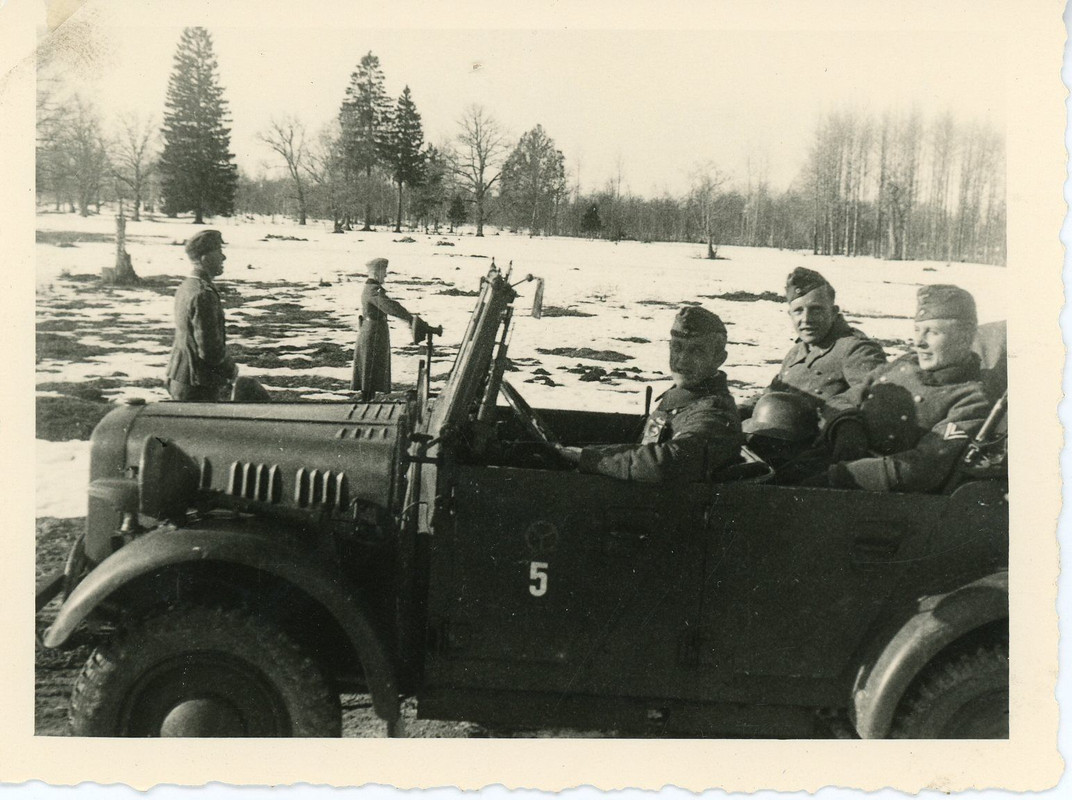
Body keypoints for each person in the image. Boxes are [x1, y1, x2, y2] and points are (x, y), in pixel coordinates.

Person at [805, 284, 992, 493]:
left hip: (862, 491)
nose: (919, 342)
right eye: (917, 330)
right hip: (826, 460)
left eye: (933, 332)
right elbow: (843, 400)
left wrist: (838, 475)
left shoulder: (970, 398)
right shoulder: (904, 364)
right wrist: (847, 427)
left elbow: (922, 468)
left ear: (965, 337)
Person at [554, 306, 742, 483]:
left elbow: (669, 462)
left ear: (719, 359)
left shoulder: (714, 412)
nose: (682, 360)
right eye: (677, 347)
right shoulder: (683, 397)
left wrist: (592, 459)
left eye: (697, 351)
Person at [741, 267, 886, 415]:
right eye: (798, 311)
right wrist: (737, 412)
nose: (806, 319)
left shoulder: (856, 350)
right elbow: (771, 394)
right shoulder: (796, 352)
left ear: (834, 312)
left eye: (816, 310)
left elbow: (877, 398)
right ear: (790, 314)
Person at [166, 229, 237, 401]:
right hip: (198, 385)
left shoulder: (187, 286)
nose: (223, 258)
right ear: (205, 259)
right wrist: (231, 369)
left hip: (180, 377)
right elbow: (210, 351)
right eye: (219, 252)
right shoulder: (203, 294)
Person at [351, 257, 435, 401]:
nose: (385, 275)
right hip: (373, 333)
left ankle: (367, 399)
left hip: (374, 330)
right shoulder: (373, 291)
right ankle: (366, 401)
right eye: (384, 271)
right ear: (377, 272)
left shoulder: (372, 289)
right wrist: (409, 318)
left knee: (370, 368)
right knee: (369, 368)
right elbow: (390, 307)